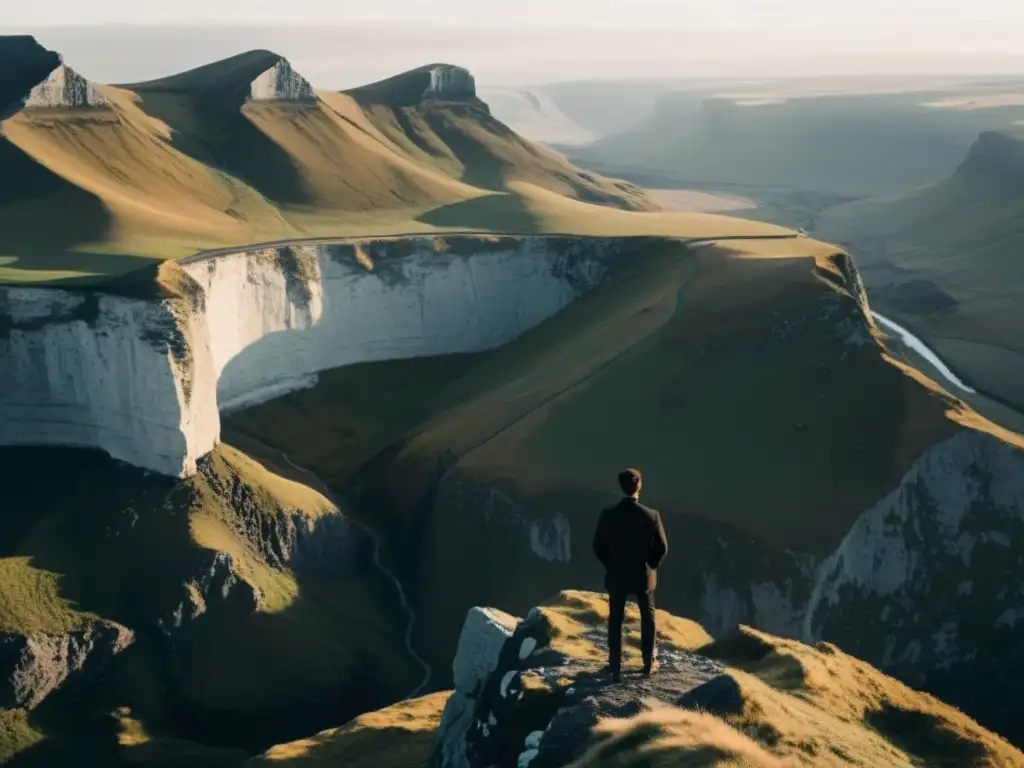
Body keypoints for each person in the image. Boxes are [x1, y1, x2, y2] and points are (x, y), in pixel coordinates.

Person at [591, 468, 668, 682]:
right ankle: (647, 664)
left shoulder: (608, 515)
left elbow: (597, 545)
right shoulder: (652, 515)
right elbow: (662, 547)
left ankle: (614, 665)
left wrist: (611, 565)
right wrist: (649, 565)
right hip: (643, 576)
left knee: (616, 618)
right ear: (639, 486)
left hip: (618, 575)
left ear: (621, 486)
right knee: (648, 617)